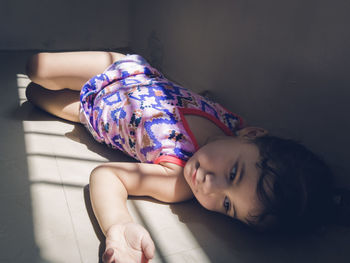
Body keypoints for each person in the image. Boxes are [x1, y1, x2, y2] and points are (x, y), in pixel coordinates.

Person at [25, 51, 333, 263]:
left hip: (92, 115)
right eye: (233, 174)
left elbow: (107, 176)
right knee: (36, 67)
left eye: (227, 205)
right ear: (252, 135)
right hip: (122, 69)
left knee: (33, 95)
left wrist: (117, 225)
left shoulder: (178, 179)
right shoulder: (233, 123)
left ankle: (59, 96)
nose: (209, 187)